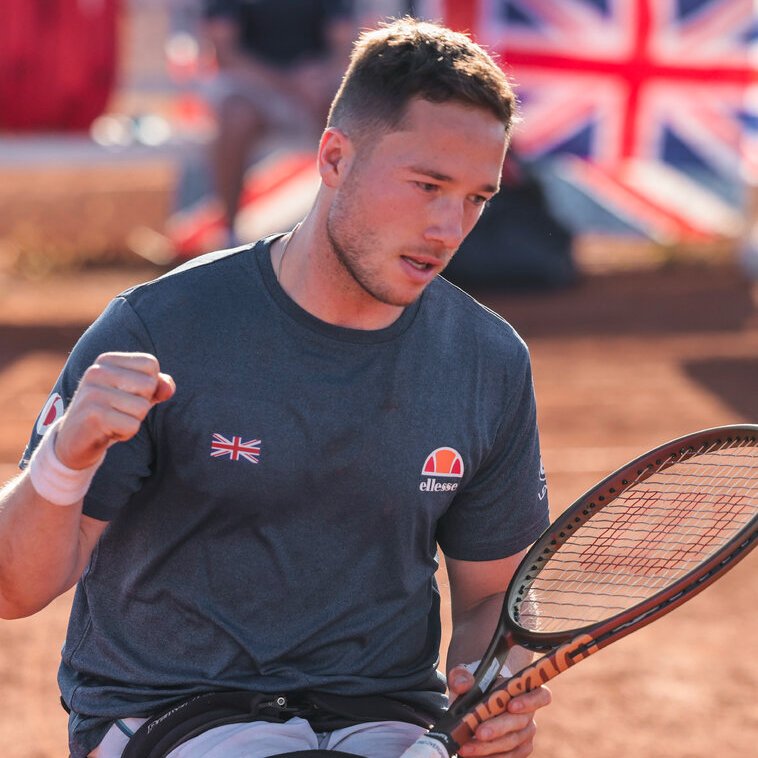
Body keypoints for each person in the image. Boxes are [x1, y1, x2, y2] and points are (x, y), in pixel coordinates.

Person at [0, 17, 552, 758]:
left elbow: (493, 597)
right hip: (175, 711)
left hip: (381, 713)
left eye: (477, 198)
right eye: (427, 185)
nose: (449, 226)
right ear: (333, 159)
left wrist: (491, 685)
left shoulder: (489, 359)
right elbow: (15, 589)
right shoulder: (160, 327)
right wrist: (63, 460)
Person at [200, 0, 358, 247]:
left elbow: (344, 45)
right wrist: (287, 83)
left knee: (343, 118)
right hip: (252, 87)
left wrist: (320, 74)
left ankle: (345, 226)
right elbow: (225, 53)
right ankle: (230, 234)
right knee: (235, 117)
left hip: (314, 89)